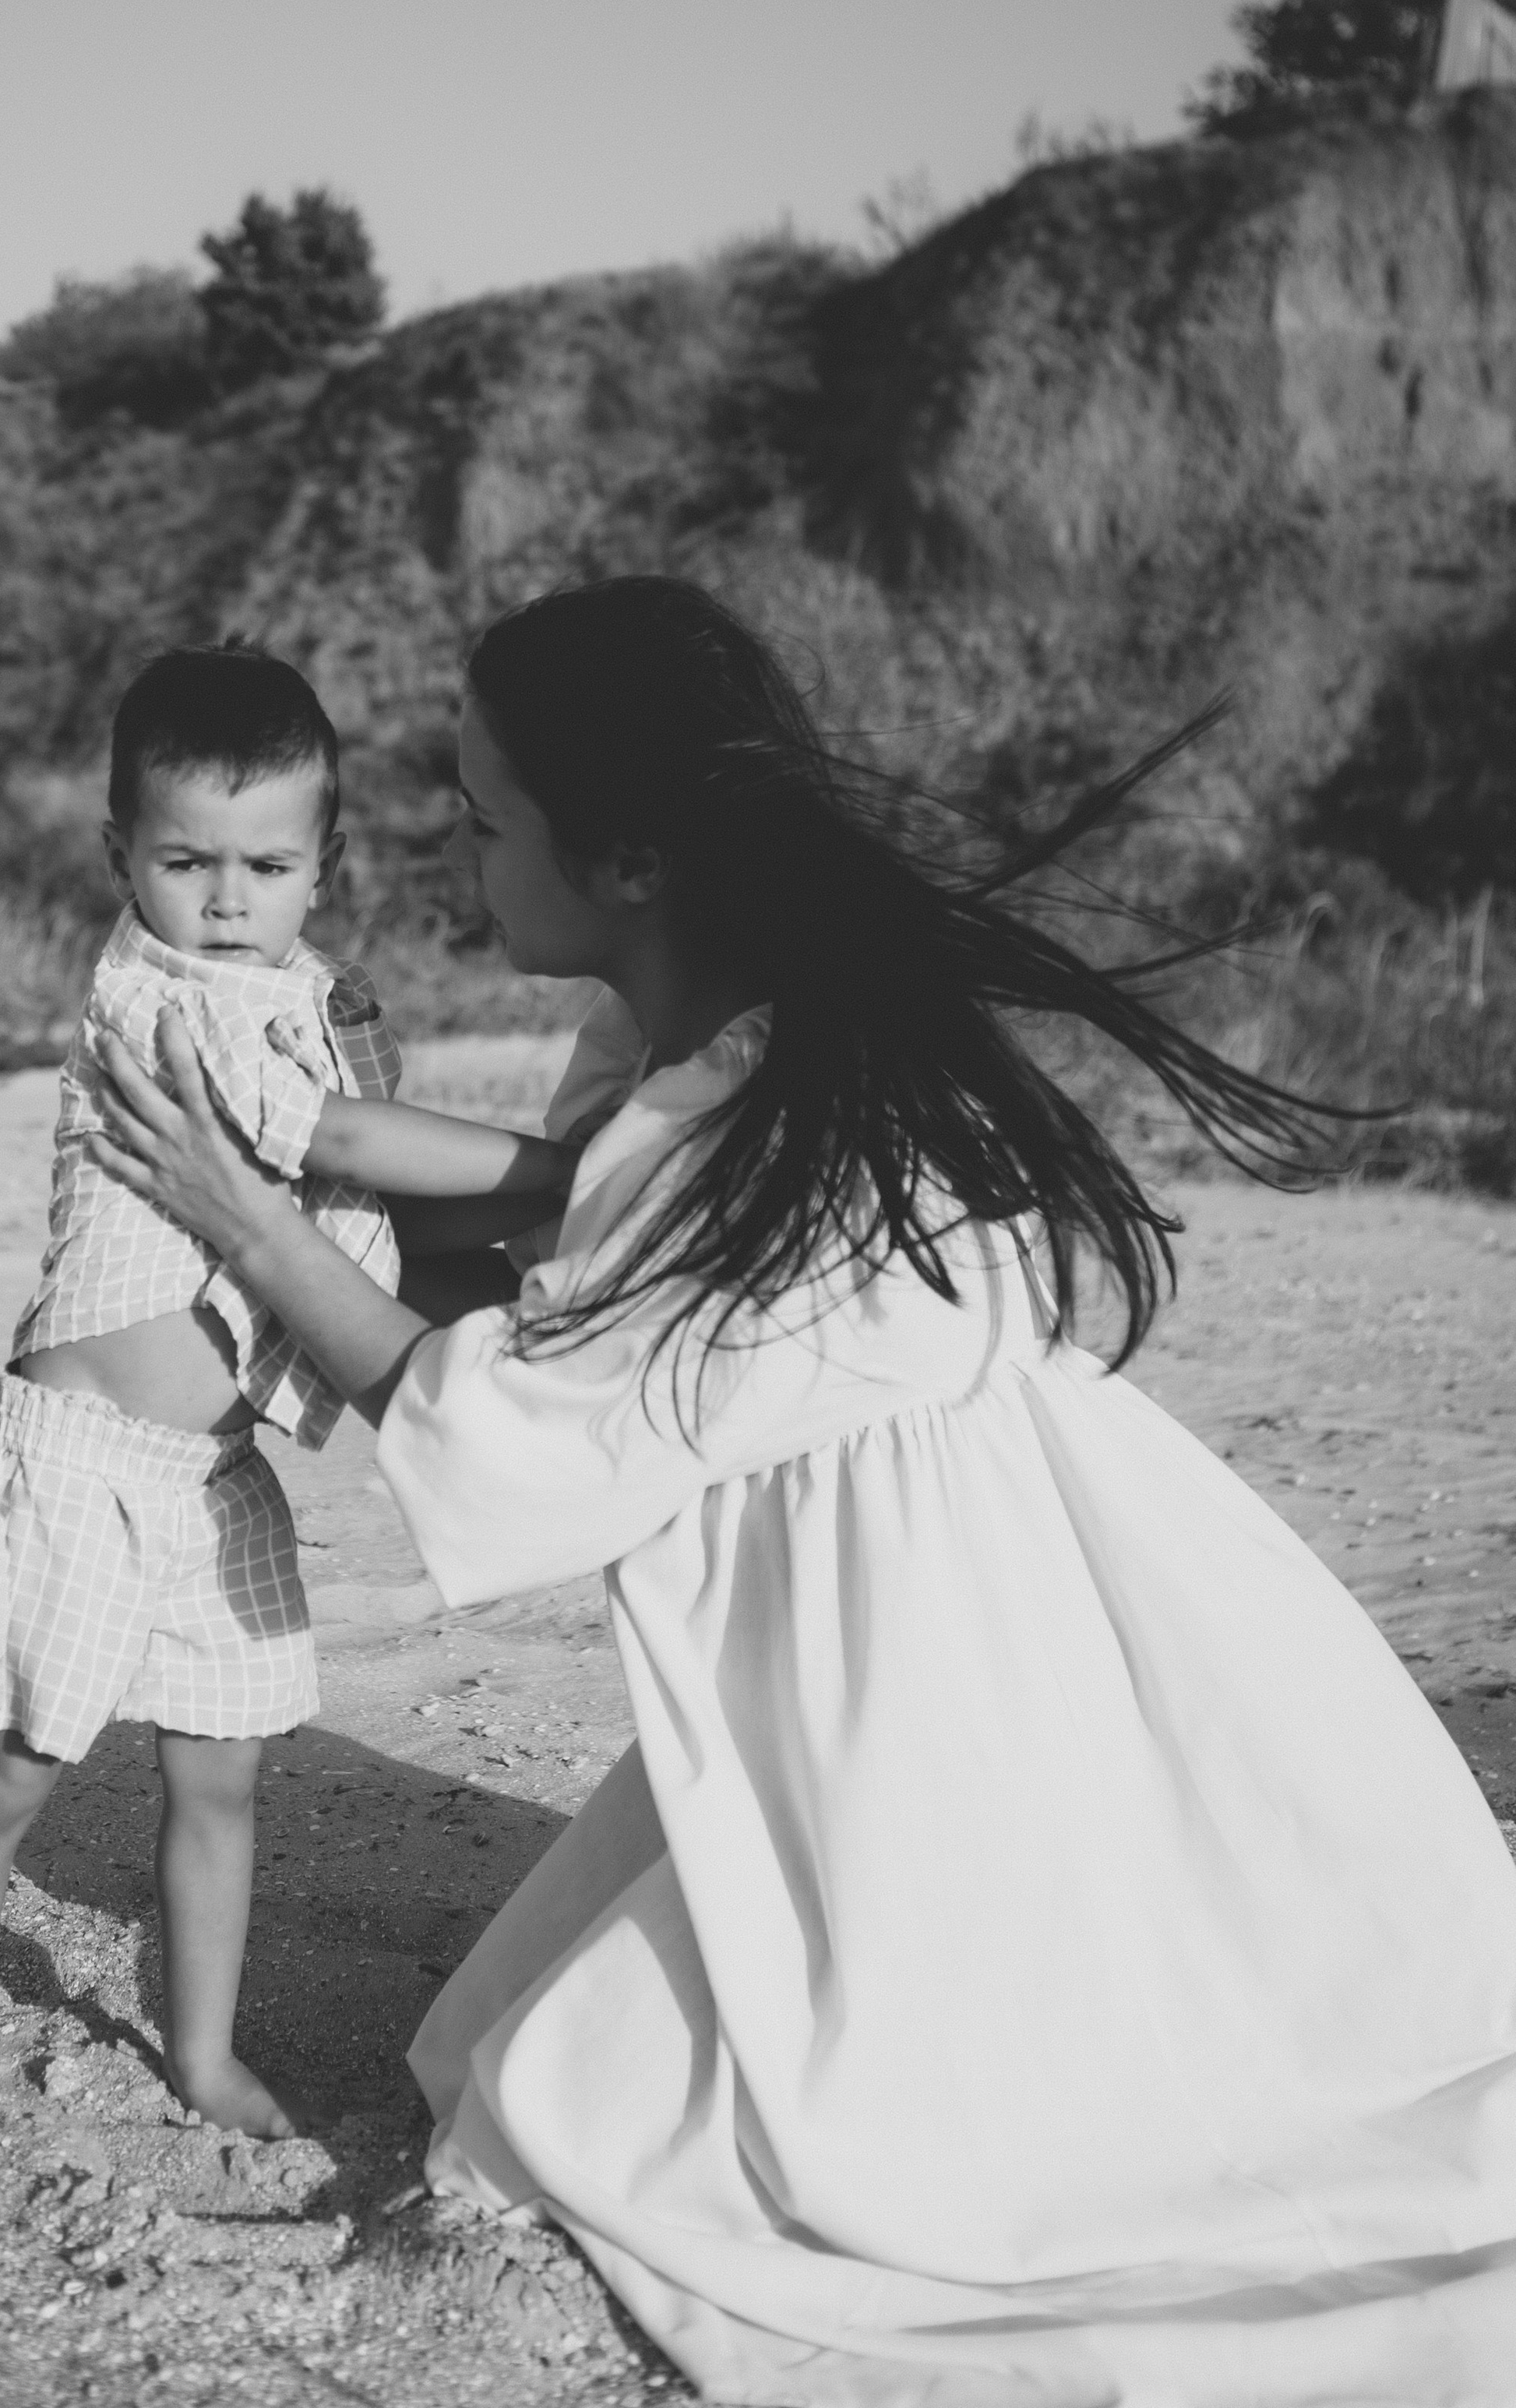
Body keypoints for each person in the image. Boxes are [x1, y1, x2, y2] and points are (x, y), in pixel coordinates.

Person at [90, 576, 1516, 2404]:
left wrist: (251, 1225)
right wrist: (323, 1162)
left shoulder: (755, 1115)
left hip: (924, 1669)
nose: (459, 861)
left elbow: (521, 1438)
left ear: (630, 862)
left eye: (485, 818)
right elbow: (549, 1284)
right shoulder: (723, 1044)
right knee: (539, 2064)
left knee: (614, 2126)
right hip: (967, 1605)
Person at [0, 641, 573, 2240]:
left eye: (265, 866)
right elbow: (349, 1141)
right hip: (86, 1462)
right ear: (120, 859)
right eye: (183, 862)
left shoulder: (296, 991)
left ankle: (197, 2045)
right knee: (9, 1778)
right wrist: (572, 1175)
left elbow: (369, 1161)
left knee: (222, 1783)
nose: (225, 899)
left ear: (321, 863)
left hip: (212, 1472)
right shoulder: (162, 1004)